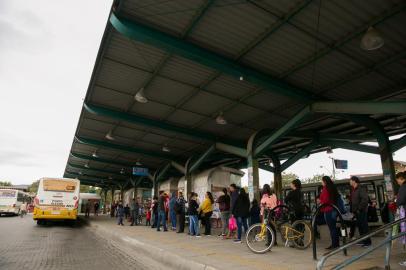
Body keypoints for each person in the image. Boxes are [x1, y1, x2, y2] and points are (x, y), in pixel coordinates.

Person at [350, 176, 371, 247]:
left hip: (361, 211)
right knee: (360, 227)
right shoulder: (354, 189)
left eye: (350, 180)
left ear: (354, 181)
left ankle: (368, 242)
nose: (349, 182)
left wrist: (359, 209)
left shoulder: (361, 188)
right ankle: (363, 240)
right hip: (356, 211)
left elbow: (365, 200)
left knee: (364, 226)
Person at [320, 176, 340, 249]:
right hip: (334, 209)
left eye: (322, 181)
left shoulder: (326, 189)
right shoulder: (332, 188)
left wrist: (321, 202)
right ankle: (336, 243)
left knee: (332, 228)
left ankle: (334, 244)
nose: (321, 182)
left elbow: (325, 200)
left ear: (325, 181)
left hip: (328, 210)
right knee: (333, 227)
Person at [395, 172, 406, 267]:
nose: (397, 182)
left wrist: (397, 201)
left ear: (401, 178)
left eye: (397, 179)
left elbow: (400, 200)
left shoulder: (403, 187)